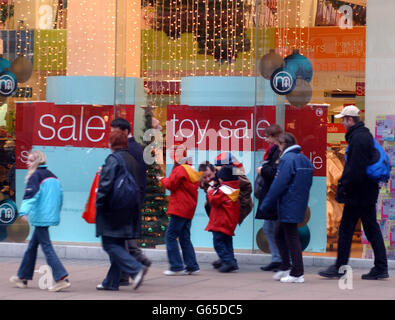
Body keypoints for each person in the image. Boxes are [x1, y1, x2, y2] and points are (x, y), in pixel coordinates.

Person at [319, 105, 389, 280]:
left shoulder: (358, 138)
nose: (342, 123)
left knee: (346, 229)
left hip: (359, 192)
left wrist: (343, 187)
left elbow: (355, 168)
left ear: (350, 120)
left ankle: (340, 267)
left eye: (343, 120)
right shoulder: (363, 136)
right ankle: (380, 267)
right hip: (366, 191)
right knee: (371, 228)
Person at [9, 150, 71, 292]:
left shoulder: (35, 176)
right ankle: (22, 277)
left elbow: (30, 196)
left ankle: (61, 278)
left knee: (47, 247)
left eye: (30, 160)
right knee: (32, 247)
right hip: (47, 216)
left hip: (41, 217)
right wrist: (56, 212)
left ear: (37, 162)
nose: (27, 163)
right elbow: (60, 196)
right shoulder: (52, 176)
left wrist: (23, 212)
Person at [95, 129, 148, 291]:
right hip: (129, 207)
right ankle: (111, 282)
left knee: (109, 244)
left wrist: (100, 203)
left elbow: (106, 185)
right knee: (117, 243)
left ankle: (136, 269)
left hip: (114, 208)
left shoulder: (113, 159)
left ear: (111, 143)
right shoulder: (131, 159)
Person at [260, 133, 314, 283]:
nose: (277, 148)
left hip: (288, 203)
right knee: (280, 233)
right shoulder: (304, 159)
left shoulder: (287, 160)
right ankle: (286, 267)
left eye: (278, 145)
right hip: (297, 203)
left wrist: (266, 204)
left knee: (290, 236)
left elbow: (279, 184)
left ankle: (297, 273)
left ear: (284, 145)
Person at [110, 118, 152, 286]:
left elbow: (131, 177)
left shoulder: (129, 149)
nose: (112, 135)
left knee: (120, 239)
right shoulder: (134, 148)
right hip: (131, 199)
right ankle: (131, 267)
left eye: (115, 131)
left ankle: (132, 267)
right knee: (125, 238)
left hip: (127, 200)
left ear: (125, 131)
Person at [158, 144, 201, 276]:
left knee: (170, 236)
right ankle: (192, 265)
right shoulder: (192, 170)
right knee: (185, 237)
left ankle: (176, 266)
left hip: (179, 208)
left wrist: (162, 179)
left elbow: (171, 184)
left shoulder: (180, 169)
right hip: (189, 208)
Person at [255, 124, 283, 272]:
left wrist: (262, 170)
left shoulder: (277, 152)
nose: (265, 139)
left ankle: (280, 259)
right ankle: (277, 258)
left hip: (274, 195)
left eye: (267, 136)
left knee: (274, 228)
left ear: (274, 137)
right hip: (271, 194)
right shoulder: (273, 150)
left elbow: (274, 171)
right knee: (270, 227)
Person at [206, 165, 240, 273]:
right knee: (227, 243)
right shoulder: (233, 188)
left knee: (218, 243)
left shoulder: (223, 190)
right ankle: (231, 261)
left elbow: (214, 200)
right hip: (228, 222)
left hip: (221, 221)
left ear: (223, 178)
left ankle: (228, 262)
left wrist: (210, 191)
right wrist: (213, 183)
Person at [214, 152, 253, 225]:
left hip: (239, 205)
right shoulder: (219, 172)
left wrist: (242, 203)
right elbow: (213, 183)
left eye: (219, 166)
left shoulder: (235, 171)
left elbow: (247, 186)